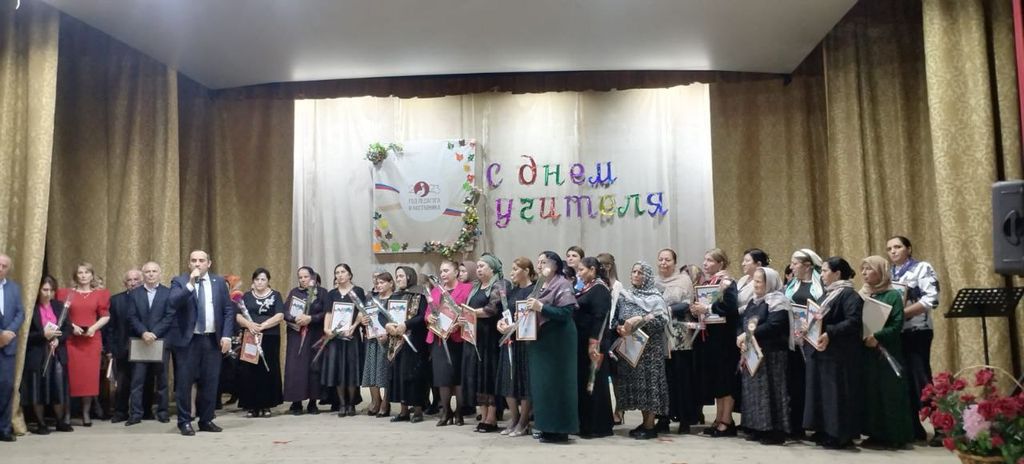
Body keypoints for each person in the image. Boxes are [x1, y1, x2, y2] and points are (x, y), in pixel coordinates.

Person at [168, 250, 235, 436]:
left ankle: (206, 419)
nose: (197, 264)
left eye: (201, 260)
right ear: (189, 264)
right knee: (184, 383)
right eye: (194, 261)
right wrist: (190, 284)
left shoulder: (219, 282)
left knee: (210, 382)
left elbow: (228, 310)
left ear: (209, 263)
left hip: (212, 339)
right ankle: (184, 421)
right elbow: (173, 302)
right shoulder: (179, 281)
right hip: (188, 340)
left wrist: (227, 336)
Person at [886, 235, 941, 446]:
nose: (893, 251)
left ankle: (941, 427)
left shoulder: (922, 268)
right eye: (889, 248)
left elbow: (931, 299)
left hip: (918, 330)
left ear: (908, 249)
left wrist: (902, 314)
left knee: (921, 379)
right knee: (904, 380)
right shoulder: (889, 274)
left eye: (897, 247)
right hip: (897, 333)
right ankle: (914, 428)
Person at [803, 256, 863, 449]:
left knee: (835, 394)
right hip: (822, 351)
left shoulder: (849, 295)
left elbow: (853, 321)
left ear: (837, 274)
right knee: (823, 393)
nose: (821, 275)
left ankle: (838, 434)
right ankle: (824, 429)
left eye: (825, 271)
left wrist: (830, 332)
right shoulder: (827, 294)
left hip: (839, 353)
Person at [859, 255, 914, 449]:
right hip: (867, 352)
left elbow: (896, 324)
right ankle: (875, 434)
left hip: (887, 351)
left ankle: (894, 436)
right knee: (871, 392)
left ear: (881, 272)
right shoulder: (863, 294)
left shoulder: (893, 295)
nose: (864, 273)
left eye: (869, 269)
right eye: (863, 269)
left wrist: (877, 336)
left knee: (889, 393)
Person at [527, 251, 580, 443]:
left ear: (555, 266)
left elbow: (566, 312)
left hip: (559, 340)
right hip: (541, 341)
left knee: (558, 384)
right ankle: (546, 427)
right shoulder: (539, 286)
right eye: (538, 262)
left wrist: (541, 307)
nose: (540, 266)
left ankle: (560, 429)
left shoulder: (562, 284)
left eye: (544, 262)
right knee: (543, 386)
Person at [614, 262, 670, 440]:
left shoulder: (655, 297)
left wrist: (641, 320)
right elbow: (616, 318)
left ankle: (650, 426)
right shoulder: (625, 295)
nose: (636, 275)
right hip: (631, 348)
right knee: (638, 388)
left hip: (650, 350)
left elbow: (661, 320)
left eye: (641, 273)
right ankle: (645, 422)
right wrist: (620, 328)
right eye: (634, 271)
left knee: (649, 386)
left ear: (648, 277)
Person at [737, 267, 791, 445]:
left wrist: (748, 335)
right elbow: (744, 322)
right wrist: (742, 338)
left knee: (772, 392)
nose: (755, 284)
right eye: (755, 280)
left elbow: (774, 325)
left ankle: (774, 431)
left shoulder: (778, 301)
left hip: (772, 353)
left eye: (759, 281)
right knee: (754, 393)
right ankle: (758, 427)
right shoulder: (754, 301)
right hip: (752, 351)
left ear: (770, 283)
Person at [691, 248, 740, 437]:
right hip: (712, 338)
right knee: (718, 381)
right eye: (704, 259)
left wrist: (708, 308)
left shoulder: (726, 282)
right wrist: (697, 310)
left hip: (725, 339)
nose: (705, 263)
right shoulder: (709, 282)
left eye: (710, 260)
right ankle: (719, 418)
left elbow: (730, 307)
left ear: (721, 263)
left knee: (726, 380)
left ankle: (727, 421)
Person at [57, 262, 111, 427]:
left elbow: (105, 315)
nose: (83, 275)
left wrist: (93, 328)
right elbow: (61, 314)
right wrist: (72, 327)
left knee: (89, 379)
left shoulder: (99, 294)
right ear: (76, 275)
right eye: (80, 272)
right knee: (70, 378)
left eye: (87, 272)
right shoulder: (67, 294)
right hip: (72, 340)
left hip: (91, 341)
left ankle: (86, 413)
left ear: (92, 275)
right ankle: (67, 414)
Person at [21, 276, 74, 434]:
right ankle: (41, 423)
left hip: (56, 354)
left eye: (51, 290)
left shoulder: (59, 306)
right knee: (37, 389)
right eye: (45, 290)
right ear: (38, 290)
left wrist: (58, 340)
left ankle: (60, 421)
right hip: (37, 354)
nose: (48, 293)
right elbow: (25, 335)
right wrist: (43, 335)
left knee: (58, 388)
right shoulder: (31, 308)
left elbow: (68, 328)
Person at [462, 254, 508, 432]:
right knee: (478, 376)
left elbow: (491, 309)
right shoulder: (475, 287)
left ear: (492, 268)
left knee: (489, 376)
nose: (479, 269)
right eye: (478, 267)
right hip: (475, 337)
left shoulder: (499, 285)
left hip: (490, 338)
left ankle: (492, 417)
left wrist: (470, 313)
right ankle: (483, 414)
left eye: (482, 266)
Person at [654, 248, 697, 434]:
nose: (663, 263)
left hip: (679, 335)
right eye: (661, 259)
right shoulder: (654, 281)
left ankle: (685, 419)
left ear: (674, 262)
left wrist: (668, 310)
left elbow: (688, 303)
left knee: (682, 377)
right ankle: (663, 418)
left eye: (667, 260)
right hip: (660, 335)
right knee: (663, 379)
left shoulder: (683, 280)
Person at [126, 262, 174, 425]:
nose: (151, 274)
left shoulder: (168, 293)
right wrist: (143, 332)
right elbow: (131, 316)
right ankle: (135, 414)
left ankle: (163, 412)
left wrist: (154, 333)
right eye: (148, 272)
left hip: (160, 341)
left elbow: (169, 316)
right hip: (140, 341)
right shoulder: (134, 293)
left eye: (154, 271)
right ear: (143, 275)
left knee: (162, 381)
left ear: (160, 273)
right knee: (137, 381)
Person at [233, 268, 284, 418]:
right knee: (249, 371)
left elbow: (280, 315)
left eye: (263, 279)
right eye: (257, 279)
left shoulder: (275, 295)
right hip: (250, 336)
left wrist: (263, 326)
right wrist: (249, 325)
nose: (260, 282)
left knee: (268, 369)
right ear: (253, 281)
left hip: (270, 337)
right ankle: (251, 406)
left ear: (268, 281)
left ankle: (266, 405)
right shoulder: (246, 296)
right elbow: (238, 316)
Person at [427, 259, 471, 427]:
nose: (443, 274)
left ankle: (459, 412)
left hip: (458, 338)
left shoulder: (466, 289)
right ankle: (446, 411)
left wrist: (460, 322)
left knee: (458, 377)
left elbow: (469, 311)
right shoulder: (435, 291)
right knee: (442, 377)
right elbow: (428, 312)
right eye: (441, 271)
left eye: (446, 270)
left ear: (456, 272)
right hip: (439, 338)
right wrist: (429, 318)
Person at [494, 257, 535, 437]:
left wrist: (516, 326)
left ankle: (524, 421)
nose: (512, 272)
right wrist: (501, 324)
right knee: (507, 381)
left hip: (525, 342)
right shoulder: (512, 291)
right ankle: (514, 418)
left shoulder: (534, 291)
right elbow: (505, 313)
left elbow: (532, 317)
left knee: (524, 381)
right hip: (509, 340)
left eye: (516, 269)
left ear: (526, 271)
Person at [574, 257, 614, 439]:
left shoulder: (600, 289)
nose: (579, 274)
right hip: (582, 341)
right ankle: (585, 423)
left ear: (592, 270)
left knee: (595, 383)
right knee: (585, 383)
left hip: (594, 343)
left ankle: (597, 426)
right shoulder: (586, 288)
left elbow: (600, 318)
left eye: (581, 270)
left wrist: (593, 343)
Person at [385, 266, 429, 423]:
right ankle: (403, 411)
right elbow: (384, 315)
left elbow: (423, 316)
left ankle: (417, 411)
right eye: (397, 276)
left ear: (409, 277)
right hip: (396, 342)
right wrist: (387, 325)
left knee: (413, 376)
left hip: (414, 341)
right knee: (398, 375)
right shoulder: (395, 295)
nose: (398, 279)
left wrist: (406, 324)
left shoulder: (420, 294)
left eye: (401, 276)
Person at [322, 263, 367, 417]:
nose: (340, 275)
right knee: (338, 370)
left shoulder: (357, 291)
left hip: (351, 336)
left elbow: (361, 311)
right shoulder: (332, 293)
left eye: (343, 272)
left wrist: (353, 327)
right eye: (337, 272)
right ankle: (341, 403)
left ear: (349, 274)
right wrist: (326, 329)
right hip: (335, 338)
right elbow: (328, 313)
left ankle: (351, 403)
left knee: (351, 370)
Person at [283, 266, 327, 415]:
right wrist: (294, 318)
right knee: (296, 368)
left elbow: (326, 313)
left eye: (306, 277)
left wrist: (311, 318)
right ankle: (296, 402)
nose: (303, 280)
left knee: (314, 367)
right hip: (296, 335)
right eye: (300, 277)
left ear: (313, 277)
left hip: (315, 334)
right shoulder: (294, 292)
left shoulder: (322, 292)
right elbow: (285, 311)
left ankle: (313, 402)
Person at [105, 269, 142, 423]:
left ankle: (140, 412)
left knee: (141, 382)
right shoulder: (115, 300)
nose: (133, 283)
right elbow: (110, 327)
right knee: (122, 383)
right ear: (125, 283)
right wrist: (110, 348)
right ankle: (120, 412)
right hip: (121, 347)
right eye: (129, 280)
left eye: (136, 280)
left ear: (141, 281)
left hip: (143, 346)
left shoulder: (146, 298)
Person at [596, 253, 626, 426]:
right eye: (601, 264)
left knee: (615, 375)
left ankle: (619, 409)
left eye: (607, 264)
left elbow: (618, 309)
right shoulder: (596, 283)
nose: (604, 268)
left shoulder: (617, 285)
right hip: (599, 330)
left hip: (612, 331)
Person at [0, 254, 25, 442]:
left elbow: (20, 313)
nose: (0, 268)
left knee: (7, 388)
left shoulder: (14, 288)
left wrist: (8, 333)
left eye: (4, 266)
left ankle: (4, 428)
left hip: (8, 347)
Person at [362, 272, 392, 418]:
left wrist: (388, 334)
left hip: (388, 341)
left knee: (385, 371)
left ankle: (386, 402)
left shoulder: (394, 299)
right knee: (371, 370)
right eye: (377, 283)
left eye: (382, 282)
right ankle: (375, 400)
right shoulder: (371, 300)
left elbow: (398, 320)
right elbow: (365, 316)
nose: (379, 285)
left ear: (391, 283)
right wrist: (364, 321)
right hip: (372, 339)